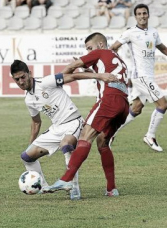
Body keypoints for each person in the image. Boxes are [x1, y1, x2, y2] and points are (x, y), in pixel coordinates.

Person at [11, 59, 119, 200]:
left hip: (73, 122)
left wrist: (100, 76)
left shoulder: (46, 82)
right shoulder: (29, 100)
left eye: (22, 77)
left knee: (66, 145)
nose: (20, 82)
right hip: (56, 128)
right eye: (17, 79)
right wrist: (31, 144)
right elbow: (36, 122)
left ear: (29, 73)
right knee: (26, 157)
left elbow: (73, 76)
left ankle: (74, 189)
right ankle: (43, 187)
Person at [43, 32, 130, 197]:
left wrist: (57, 83)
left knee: (85, 135)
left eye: (90, 48)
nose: (89, 52)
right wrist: (91, 69)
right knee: (102, 142)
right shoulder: (117, 58)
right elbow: (107, 74)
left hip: (109, 99)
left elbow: (71, 67)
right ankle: (111, 189)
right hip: (124, 104)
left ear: (101, 45)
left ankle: (66, 179)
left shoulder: (100, 53)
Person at [109, 4, 167, 152]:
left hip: (148, 76)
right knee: (163, 105)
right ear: (135, 17)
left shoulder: (153, 32)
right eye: (139, 14)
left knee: (136, 108)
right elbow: (113, 48)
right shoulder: (130, 33)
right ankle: (150, 136)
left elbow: (163, 48)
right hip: (140, 76)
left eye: (144, 13)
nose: (142, 16)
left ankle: (110, 132)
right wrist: (118, 65)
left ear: (148, 15)